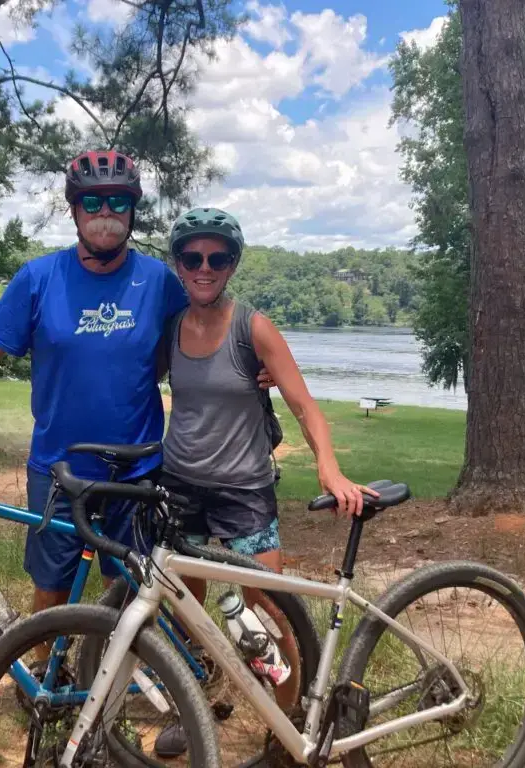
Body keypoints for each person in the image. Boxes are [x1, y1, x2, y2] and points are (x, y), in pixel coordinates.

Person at [0, 150, 190, 629]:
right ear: (74, 209)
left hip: (137, 468)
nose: (105, 212)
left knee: (134, 585)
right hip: (58, 467)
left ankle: (124, 679)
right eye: (92, 201)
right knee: (51, 585)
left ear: (132, 211)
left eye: (117, 202)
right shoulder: (39, 279)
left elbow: (199, 335)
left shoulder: (159, 282)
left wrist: (256, 364)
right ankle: (43, 679)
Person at [151, 207, 378, 756]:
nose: (204, 268)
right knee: (184, 608)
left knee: (266, 609)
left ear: (231, 266)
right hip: (180, 483)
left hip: (243, 490)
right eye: (193, 257)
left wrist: (329, 466)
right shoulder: (172, 328)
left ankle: (292, 716)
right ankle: (198, 702)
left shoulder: (253, 327)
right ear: (179, 265)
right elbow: (134, 378)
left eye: (217, 258)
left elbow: (304, 404)